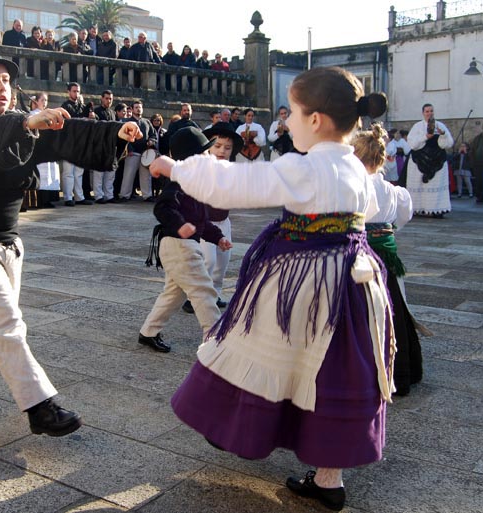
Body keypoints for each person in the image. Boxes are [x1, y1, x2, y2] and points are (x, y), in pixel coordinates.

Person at [150, 66, 392, 512]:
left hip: (303, 282)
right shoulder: (358, 169)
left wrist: (176, 167)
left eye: (293, 116)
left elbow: (239, 183)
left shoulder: (303, 166)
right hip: (355, 285)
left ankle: (234, 426)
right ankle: (329, 480)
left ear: (315, 120)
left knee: (255, 345)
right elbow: (382, 206)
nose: (287, 125)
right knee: (333, 372)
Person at [0, 45, 140, 436]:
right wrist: (30, 120)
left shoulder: (20, 123)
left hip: (10, 244)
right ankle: (41, 407)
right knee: (6, 323)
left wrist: (113, 131)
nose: (3, 87)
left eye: (7, 81)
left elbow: (67, 133)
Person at [140, 127, 232, 353]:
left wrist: (218, 237)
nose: (209, 157)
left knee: (174, 293)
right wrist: (180, 225)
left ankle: (148, 332)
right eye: (204, 154)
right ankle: (215, 342)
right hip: (179, 247)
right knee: (204, 291)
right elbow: (162, 207)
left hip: (181, 246)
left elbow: (202, 221)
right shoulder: (179, 181)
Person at [352, 123, 421, 398]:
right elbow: (403, 218)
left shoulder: (354, 189)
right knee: (393, 309)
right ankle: (398, 370)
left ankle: (365, 371)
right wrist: (385, 234)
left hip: (359, 257)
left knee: (363, 311)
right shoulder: (394, 191)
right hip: (388, 255)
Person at [182, 122, 244, 314]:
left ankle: (215, 293)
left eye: (227, 148)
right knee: (207, 261)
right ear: (208, 146)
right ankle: (194, 297)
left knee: (223, 261)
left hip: (223, 221)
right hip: (205, 224)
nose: (222, 151)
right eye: (217, 146)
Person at [405, 104, 454, 218]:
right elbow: (412, 144)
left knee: (436, 185)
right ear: (423, 113)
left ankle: (436, 209)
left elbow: (449, 143)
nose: (429, 113)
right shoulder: (417, 126)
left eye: (431, 111)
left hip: (437, 159)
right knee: (418, 184)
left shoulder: (440, 125)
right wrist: (426, 136)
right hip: (419, 159)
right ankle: (417, 209)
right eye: (427, 111)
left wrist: (443, 135)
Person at [60, 82, 96, 206]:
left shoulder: (81, 106)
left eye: (78, 91)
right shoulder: (65, 106)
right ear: (68, 92)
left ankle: (79, 197)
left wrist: (91, 116)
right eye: (74, 91)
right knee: (68, 172)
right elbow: (72, 120)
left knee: (79, 172)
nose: (76, 93)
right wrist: (85, 114)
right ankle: (68, 197)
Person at [119, 100, 157, 201]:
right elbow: (123, 136)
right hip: (132, 153)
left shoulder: (147, 122)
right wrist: (129, 149)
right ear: (131, 109)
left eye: (140, 107)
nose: (138, 109)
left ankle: (147, 195)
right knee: (128, 175)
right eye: (136, 107)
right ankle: (124, 195)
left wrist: (151, 141)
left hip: (145, 153)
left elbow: (153, 135)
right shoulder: (126, 122)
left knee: (146, 176)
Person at [28, 92, 60, 209]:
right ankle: (40, 200)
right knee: (41, 173)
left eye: (46, 100)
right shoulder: (32, 115)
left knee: (51, 172)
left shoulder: (48, 114)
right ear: (36, 101)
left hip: (49, 147)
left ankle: (48, 199)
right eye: (42, 100)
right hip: (39, 147)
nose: (45, 103)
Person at [92, 90, 117, 203]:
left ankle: (109, 195)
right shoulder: (96, 112)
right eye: (106, 98)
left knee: (110, 173)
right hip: (99, 145)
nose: (108, 101)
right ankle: (98, 196)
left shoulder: (113, 113)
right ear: (101, 98)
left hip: (111, 146)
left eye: (110, 99)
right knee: (99, 173)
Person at [471, 128, 483, 203]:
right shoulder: (478, 138)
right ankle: (480, 197)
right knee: (479, 182)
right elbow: (472, 150)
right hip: (478, 164)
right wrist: (473, 162)